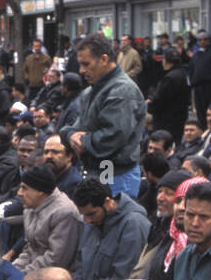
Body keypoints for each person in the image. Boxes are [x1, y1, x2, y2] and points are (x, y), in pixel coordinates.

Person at [59, 33, 147, 199]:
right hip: (96, 173)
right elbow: (73, 128)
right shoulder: (91, 91)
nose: (81, 70)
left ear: (104, 59)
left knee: (113, 221)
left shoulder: (122, 91)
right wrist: (71, 136)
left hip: (116, 175)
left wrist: (82, 140)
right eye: (80, 64)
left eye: (86, 64)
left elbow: (111, 138)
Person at [71, 176, 151, 280]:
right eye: (84, 215)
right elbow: (80, 265)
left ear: (107, 202)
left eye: (91, 214)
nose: (87, 220)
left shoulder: (134, 224)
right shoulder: (92, 221)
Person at [12, 164, 81, 272]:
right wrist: (13, 270)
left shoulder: (64, 212)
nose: (19, 193)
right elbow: (30, 249)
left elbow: (57, 260)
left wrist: (22, 275)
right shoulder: (30, 207)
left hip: (53, 277)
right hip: (32, 270)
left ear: (40, 191)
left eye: (24, 188)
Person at [149, 47, 191, 137]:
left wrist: (150, 103)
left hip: (166, 120)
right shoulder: (182, 74)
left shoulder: (169, 78)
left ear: (166, 61)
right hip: (179, 118)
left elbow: (160, 100)